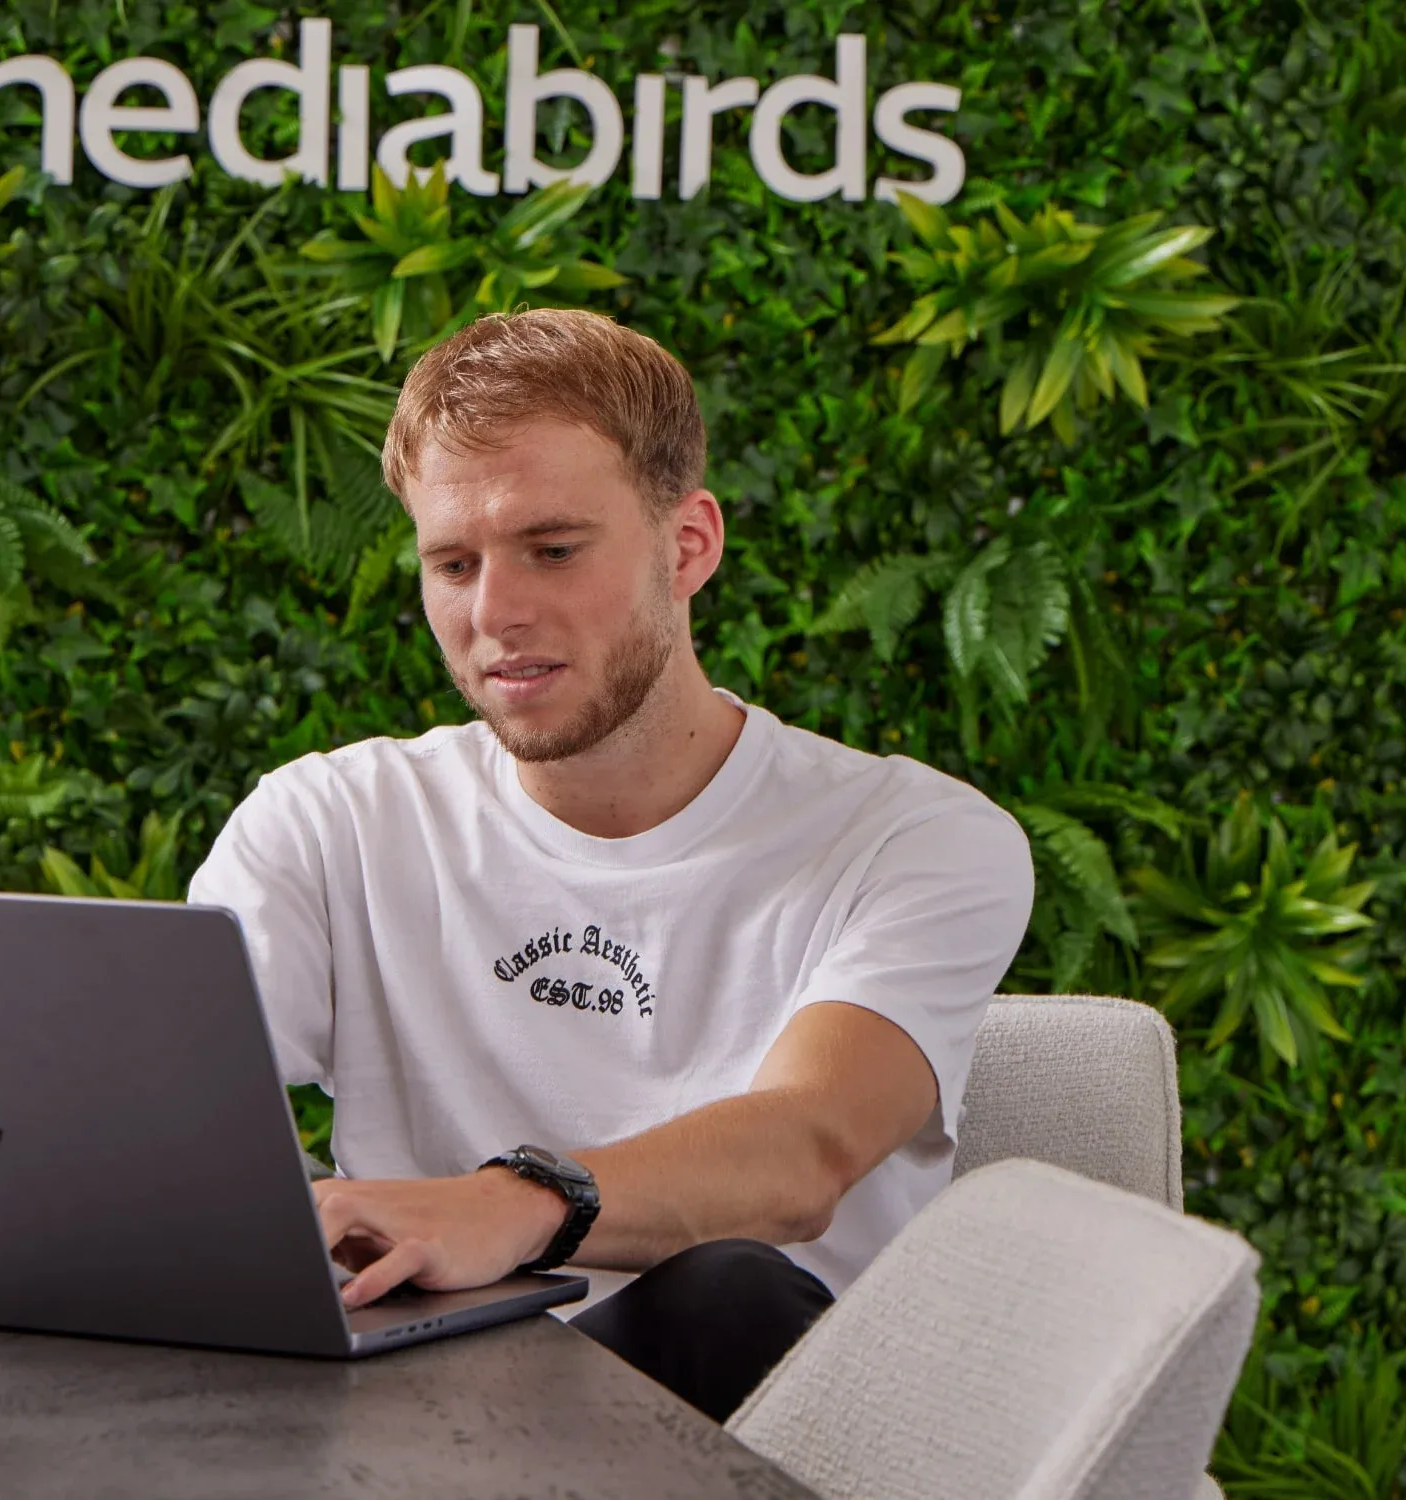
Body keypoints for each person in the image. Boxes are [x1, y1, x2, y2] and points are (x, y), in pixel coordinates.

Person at [187, 307, 1034, 1420]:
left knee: (726, 1293)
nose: (494, 613)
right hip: (412, 1420)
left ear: (687, 546)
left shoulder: (911, 837)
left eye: (551, 549)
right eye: (452, 562)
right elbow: (172, 1120)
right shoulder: (329, 819)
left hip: (755, 1422)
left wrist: (519, 1200)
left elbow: (802, 1150)